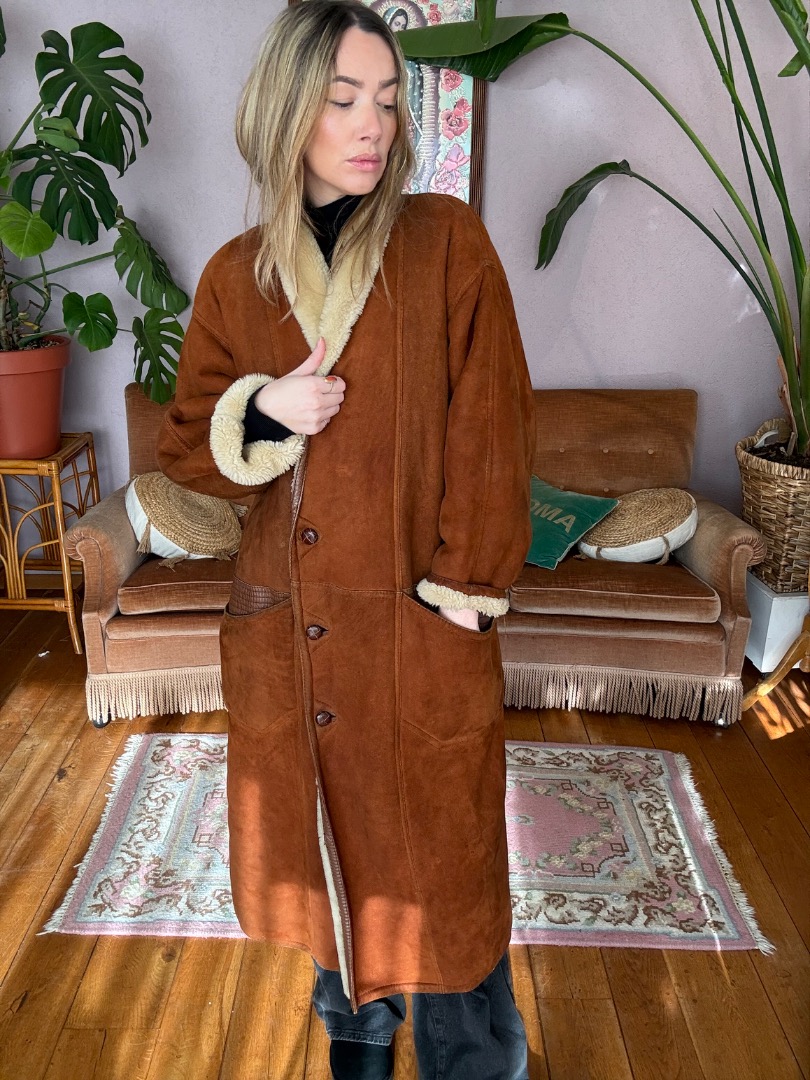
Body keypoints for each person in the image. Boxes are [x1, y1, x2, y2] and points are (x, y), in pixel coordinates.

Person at [158, 2, 535, 1077]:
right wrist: (263, 408)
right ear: (289, 110)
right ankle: (358, 1047)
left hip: (419, 626)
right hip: (294, 632)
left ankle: (475, 1064)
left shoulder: (445, 244)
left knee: (446, 891)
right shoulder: (238, 275)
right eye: (341, 100)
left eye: (386, 99)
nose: (372, 124)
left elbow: (493, 427)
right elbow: (187, 446)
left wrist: (462, 597)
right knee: (329, 873)